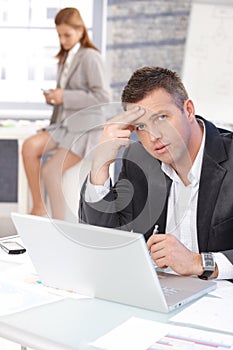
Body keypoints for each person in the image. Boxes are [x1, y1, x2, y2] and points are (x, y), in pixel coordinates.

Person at [79, 66, 233, 281]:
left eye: (161, 117)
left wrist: (200, 262)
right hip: (161, 293)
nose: (154, 136)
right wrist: (101, 164)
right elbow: (103, 239)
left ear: (188, 110)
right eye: (141, 126)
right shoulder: (139, 160)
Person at [22, 7, 110, 219]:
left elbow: (103, 97)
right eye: (59, 35)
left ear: (80, 31)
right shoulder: (66, 58)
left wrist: (65, 96)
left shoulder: (90, 57)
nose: (63, 40)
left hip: (85, 129)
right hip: (65, 126)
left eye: (67, 35)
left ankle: (60, 225)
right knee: (28, 147)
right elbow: (68, 96)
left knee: (51, 171)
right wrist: (55, 98)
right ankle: (39, 207)